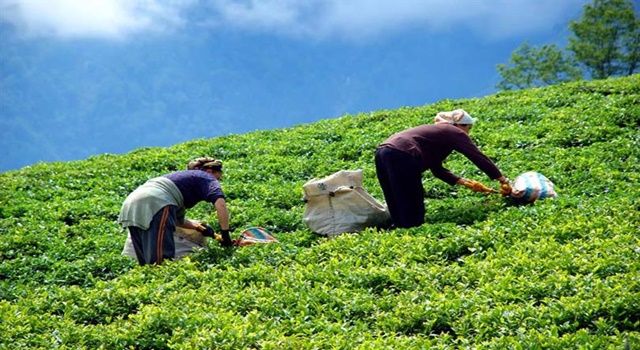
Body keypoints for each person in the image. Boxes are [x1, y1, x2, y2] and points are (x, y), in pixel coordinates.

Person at [375, 109, 512, 228]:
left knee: (394, 193)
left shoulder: (439, 134)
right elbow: (476, 156)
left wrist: (463, 182)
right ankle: (411, 228)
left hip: (382, 152)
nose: (468, 133)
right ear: (459, 125)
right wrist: (501, 178)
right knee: (412, 195)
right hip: (403, 153)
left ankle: (399, 224)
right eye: (468, 128)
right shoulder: (453, 132)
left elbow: (437, 169)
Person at [118, 157, 232, 265]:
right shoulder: (206, 176)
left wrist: (199, 227)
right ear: (210, 171)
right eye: (218, 178)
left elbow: (177, 220)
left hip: (131, 204)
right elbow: (220, 204)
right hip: (157, 202)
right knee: (161, 260)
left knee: (145, 260)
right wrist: (225, 235)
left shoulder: (179, 181)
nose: (217, 182)